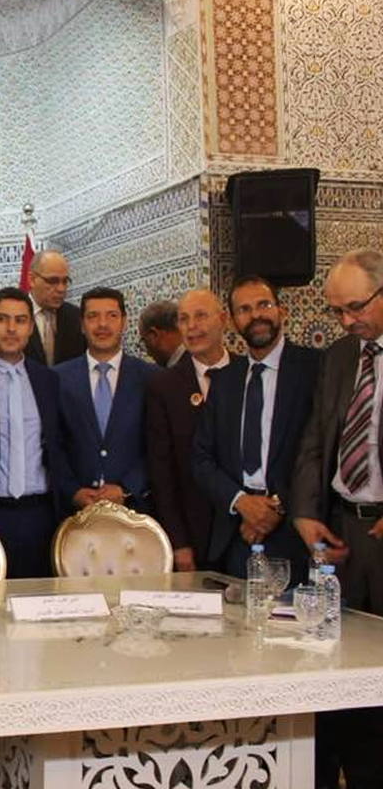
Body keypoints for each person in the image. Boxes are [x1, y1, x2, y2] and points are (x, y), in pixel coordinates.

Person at [291, 249, 383, 789]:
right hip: (345, 532)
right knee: (343, 672)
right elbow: (315, 437)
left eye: (356, 308)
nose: (347, 321)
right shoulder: (340, 357)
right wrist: (305, 512)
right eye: (338, 311)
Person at [192, 274, 317, 579]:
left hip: (296, 533)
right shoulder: (224, 381)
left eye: (264, 305)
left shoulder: (314, 369)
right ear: (233, 321)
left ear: (282, 311)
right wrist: (242, 502)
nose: (256, 315)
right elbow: (201, 457)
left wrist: (276, 507)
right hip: (235, 533)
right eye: (245, 309)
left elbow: (321, 450)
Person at [0, 287, 64, 578]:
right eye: (2, 319)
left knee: (37, 597)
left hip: (40, 513)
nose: (11, 329)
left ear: (30, 327)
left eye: (20, 320)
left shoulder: (48, 380)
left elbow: (58, 444)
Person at [145, 290, 230, 572]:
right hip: (194, 533)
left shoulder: (247, 373)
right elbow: (162, 471)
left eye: (201, 316)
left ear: (223, 320)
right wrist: (178, 541)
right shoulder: (164, 386)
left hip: (245, 529)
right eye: (183, 319)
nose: (192, 326)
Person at [55, 287, 158, 513]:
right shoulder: (57, 378)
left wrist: (127, 488)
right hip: (75, 513)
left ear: (124, 322)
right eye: (93, 316)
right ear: (82, 325)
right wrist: (73, 491)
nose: (102, 324)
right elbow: (52, 444)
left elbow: (158, 445)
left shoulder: (151, 378)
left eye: (111, 316)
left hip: (135, 511)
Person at [25, 249, 86, 366]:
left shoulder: (75, 317)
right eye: (53, 281)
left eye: (65, 281)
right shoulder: (14, 316)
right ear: (32, 279)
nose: (61, 289)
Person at [138, 299, 186, 368]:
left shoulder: (177, 371)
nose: (148, 353)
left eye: (145, 341)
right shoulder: (198, 356)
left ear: (154, 335)